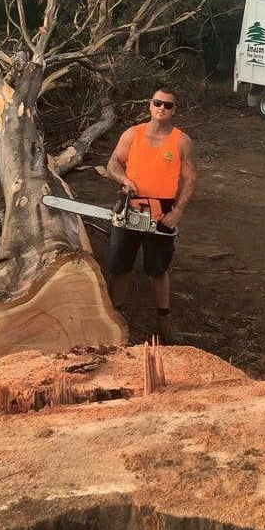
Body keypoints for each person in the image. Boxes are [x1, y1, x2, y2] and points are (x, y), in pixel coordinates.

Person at [106, 88, 196, 343]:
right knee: (120, 265)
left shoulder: (181, 141)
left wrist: (178, 211)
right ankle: (115, 315)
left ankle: (164, 318)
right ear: (150, 105)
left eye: (168, 105)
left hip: (162, 210)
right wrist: (124, 179)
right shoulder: (132, 134)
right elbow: (113, 163)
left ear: (174, 110)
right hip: (130, 204)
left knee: (158, 268)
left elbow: (190, 179)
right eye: (158, 103)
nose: (162, 108)